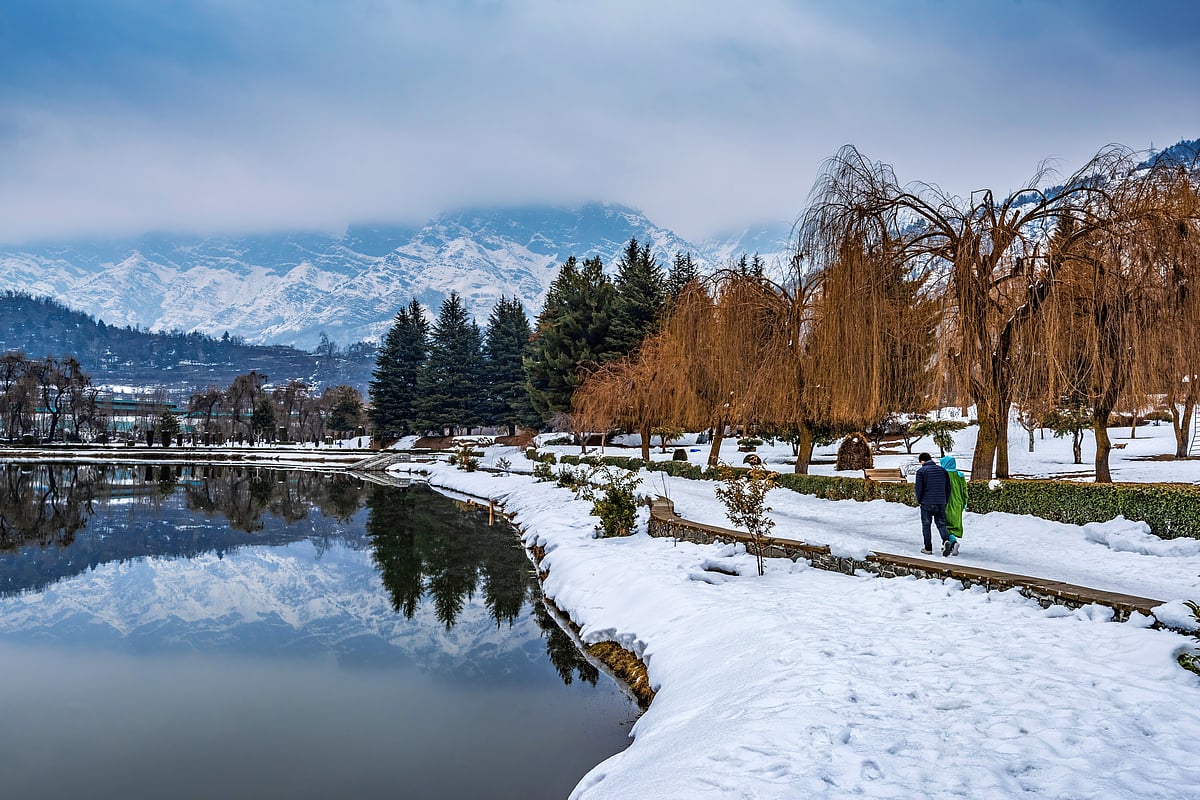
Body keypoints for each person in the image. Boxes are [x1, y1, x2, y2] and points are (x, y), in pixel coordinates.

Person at [914, 452, 952, 556]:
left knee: (926, 525)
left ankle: (928, 548)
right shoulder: (943, 470)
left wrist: (919, 500)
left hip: (927, 502)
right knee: (941, 524)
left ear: (922, 461)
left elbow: (918, 489)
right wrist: (945, 500)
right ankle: (946, 541)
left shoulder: (921, 471)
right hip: (940, 502)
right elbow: (948, 487)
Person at [940, 455, 966, 556]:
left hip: (946, 503)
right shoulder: (960, 475)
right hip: (958, 504)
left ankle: (953, 542)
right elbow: (965, 490)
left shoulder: (943, 474)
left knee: (945, 525)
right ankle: (951, 544)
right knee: (954, 525)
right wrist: (965, 502)